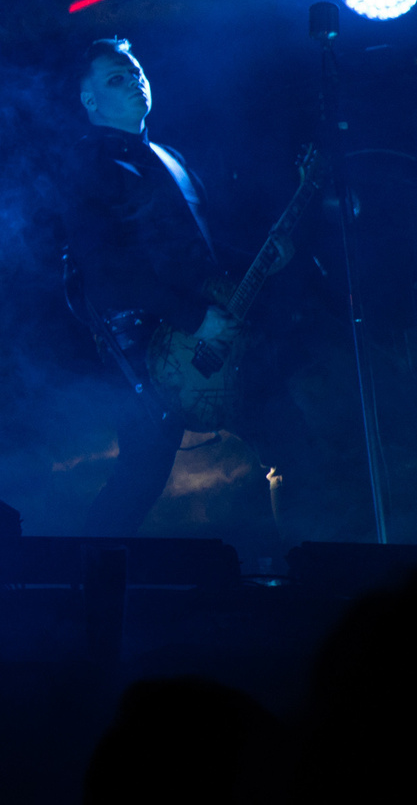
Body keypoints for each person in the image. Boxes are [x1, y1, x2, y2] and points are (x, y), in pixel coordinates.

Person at [57, 37, 291, 536]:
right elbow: (103, 269)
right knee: (141, 474)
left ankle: (306, 570)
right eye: (115, 78)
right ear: (90, 100)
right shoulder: (85, 166)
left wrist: (262, 260)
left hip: (211, 340)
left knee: (290, 443)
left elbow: (203, 252)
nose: (134, 82)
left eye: (136, 71)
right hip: (141, 350)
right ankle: (89, 586)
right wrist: (192, 318)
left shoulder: (171, 158)